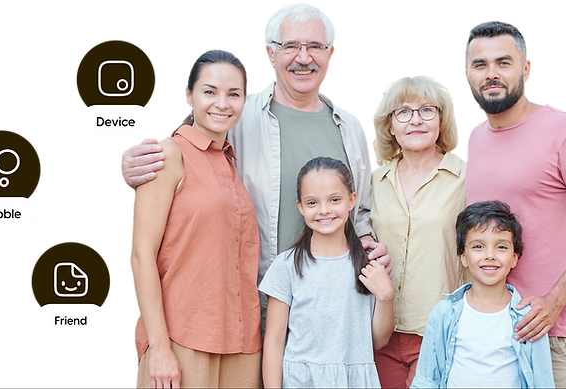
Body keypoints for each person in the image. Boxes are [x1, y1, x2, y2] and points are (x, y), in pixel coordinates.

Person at [116, 0, 390, 326]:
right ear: (268, 53)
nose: (303, 58)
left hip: (334, 300)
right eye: (290, 46)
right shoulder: (235, 112)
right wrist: (128, 161)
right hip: (255, 300)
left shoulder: (350, 125)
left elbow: (360, 211)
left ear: (332, 53)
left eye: (315, 46)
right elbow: (184, 149)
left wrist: (368, 241)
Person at [459, 18, 566, 387]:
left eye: (504, 63)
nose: (492, 74)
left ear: (528, 68)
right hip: (488, 332)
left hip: (552, 333)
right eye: (480, 65)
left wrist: (559, 296)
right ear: (465, 74)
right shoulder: (472, 138)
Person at [128, 46, 262, 388]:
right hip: (182, 338)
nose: (222, 103)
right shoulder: (168, 155)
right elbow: (141, 255)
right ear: (187, 96)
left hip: (242, 343)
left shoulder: (232, 163)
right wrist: (159, 347)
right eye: (209, 91)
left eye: (234, 94)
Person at [367, 71, 467, 388]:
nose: (416, 121)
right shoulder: (373, 181)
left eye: (427, 110)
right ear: (390, 125)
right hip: (380, 331)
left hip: (439, 329)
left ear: (441, 121)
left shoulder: (466, 176)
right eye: (403, 112)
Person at [259, 157, 395, 388]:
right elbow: (273, 341)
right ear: (300, 206)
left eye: (334, 200)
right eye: (312, 203)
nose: (324, 210)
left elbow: (379, 341)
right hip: (301, 381)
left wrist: (386, 297)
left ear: (351, 200)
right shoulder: (287, 266)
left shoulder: (368, 265)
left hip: (354, 380)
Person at [411, 200, 554, 388]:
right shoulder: (444, 313)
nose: (490, 255)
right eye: (478, 246)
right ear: (463, 257)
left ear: (514, 258)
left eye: (501, 247)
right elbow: (426, 378)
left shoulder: (528, 317)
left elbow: (542, 381)